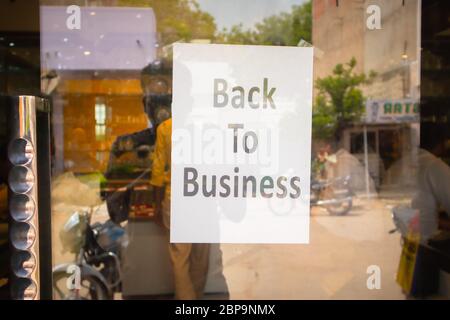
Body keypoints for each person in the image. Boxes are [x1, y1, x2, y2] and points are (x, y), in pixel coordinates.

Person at [151, 117, 210, 300]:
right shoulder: (205, 127)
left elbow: (158, 170)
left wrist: (157, 204)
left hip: (176, 198)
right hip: (202, 198)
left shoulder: (166, 128)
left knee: (180, 258)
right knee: (201, 256)